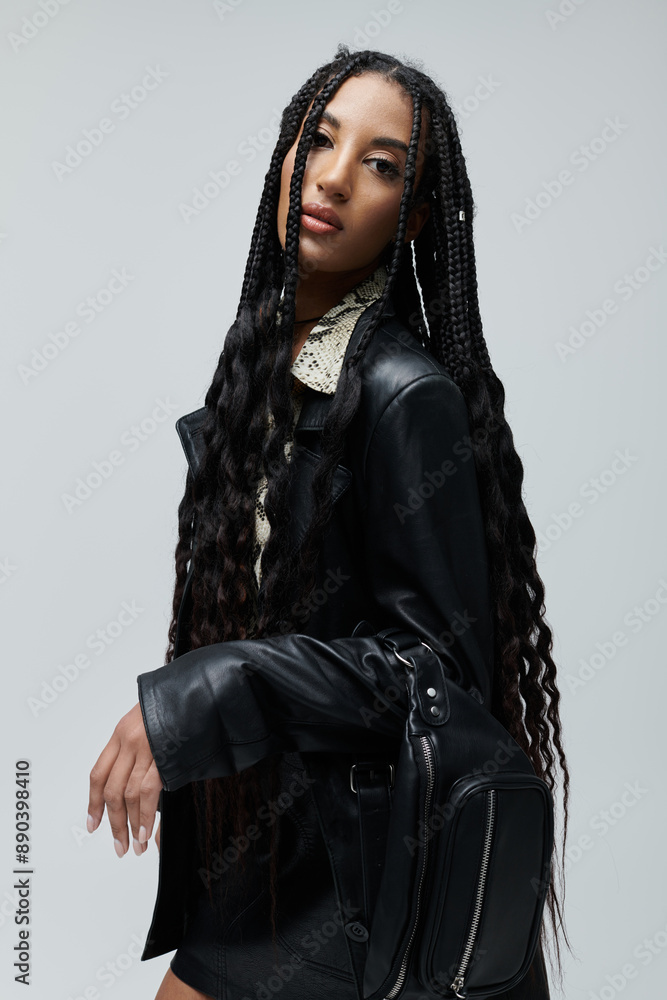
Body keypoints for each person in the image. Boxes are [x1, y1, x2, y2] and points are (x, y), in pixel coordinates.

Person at [86, 45, 572, 1000]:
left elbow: (437, 670)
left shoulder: (403, 395)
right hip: (267, 866)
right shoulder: (261, 378)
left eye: (380, 164)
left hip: (364, 883)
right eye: (319, 140)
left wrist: (214, 688)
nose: (335, 176)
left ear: (413, 216)